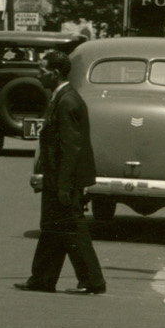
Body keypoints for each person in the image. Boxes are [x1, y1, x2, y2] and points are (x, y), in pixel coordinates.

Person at [20, 41, 103, 293]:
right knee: (52, 228)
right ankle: (42, 279)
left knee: (72, 229)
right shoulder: (61, 98)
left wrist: (64, 186)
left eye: (42, 71)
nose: (39, 75)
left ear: (55, 73)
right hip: (57, 177)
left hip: (64, 179)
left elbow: (71, 147)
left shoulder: (67, 101)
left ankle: (92, 281)